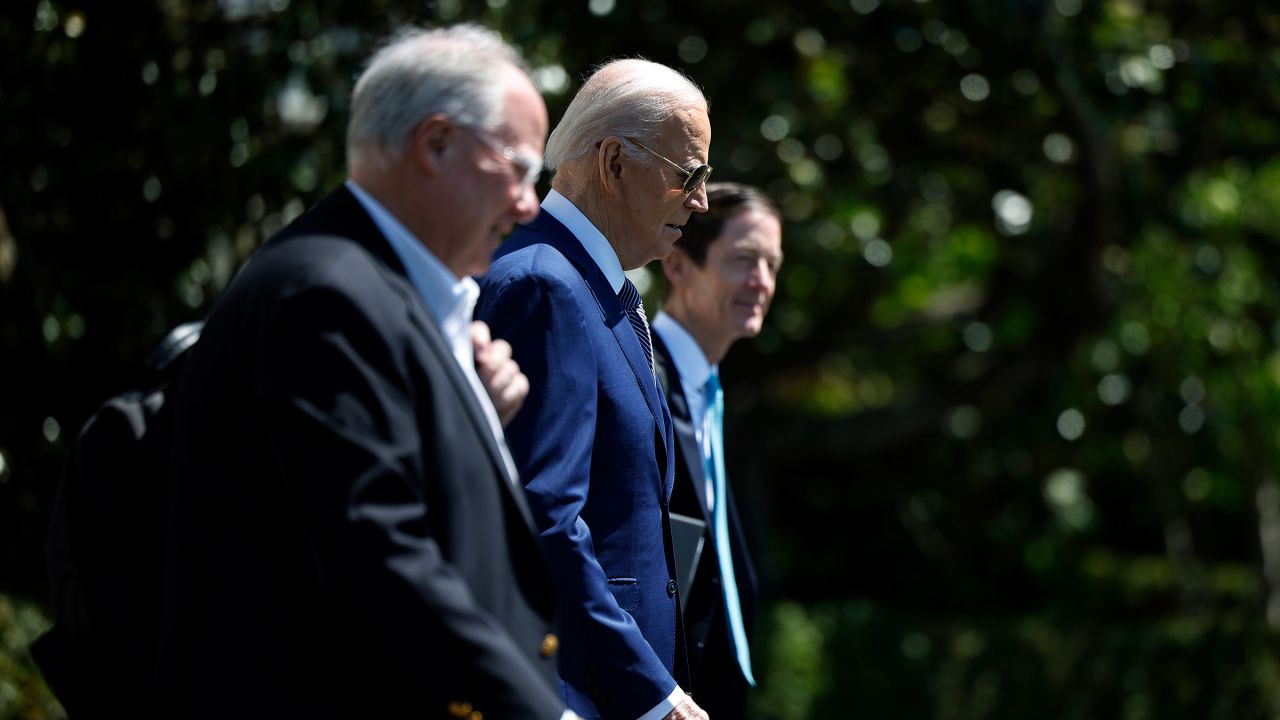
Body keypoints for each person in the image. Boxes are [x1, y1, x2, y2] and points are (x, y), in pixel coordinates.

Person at [151, 25, 571, 719]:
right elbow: (377, 555)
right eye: (520, 170)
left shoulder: (363, 284)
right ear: (436, 144)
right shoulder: (328, 296)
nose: (529, 205)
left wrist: (470, 415)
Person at [476, 59, 713, 720]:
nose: (699, 200)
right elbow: (544, 517)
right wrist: (651, 694)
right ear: (613, 163)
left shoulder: (596, 284)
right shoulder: (543, 284)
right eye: (686, 174)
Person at [651, 183, 783, 719]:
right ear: (678, 267)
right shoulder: (644, 380)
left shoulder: (709, 392)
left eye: (772, 264)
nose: (762, 283)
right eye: (743, 261)